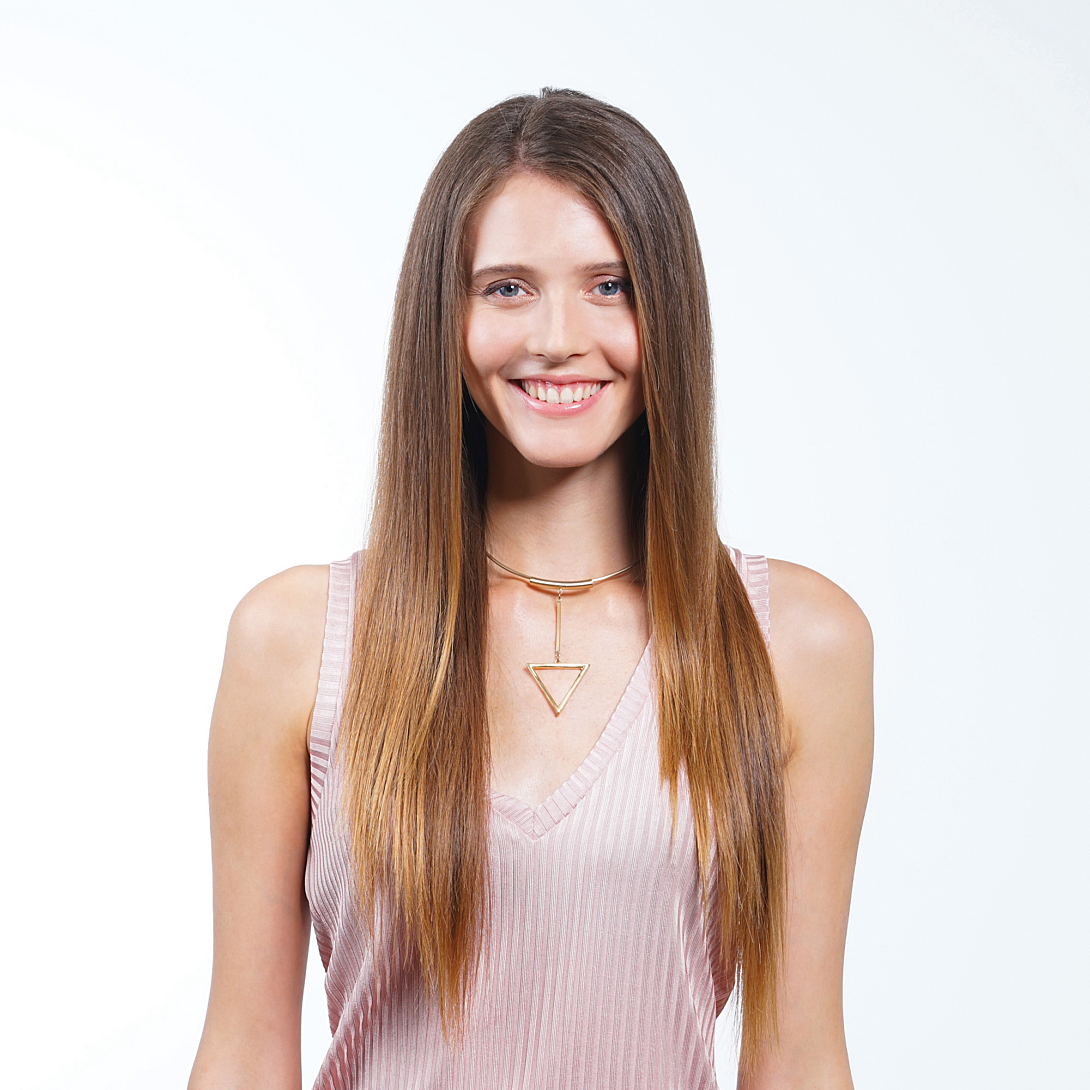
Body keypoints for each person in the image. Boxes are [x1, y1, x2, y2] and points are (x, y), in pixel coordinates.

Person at [188, 89, 873, 1090]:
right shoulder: (295, 641)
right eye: (507, 288)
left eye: (610, 285)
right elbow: (245, 1052)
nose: (556, 336)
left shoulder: (796, 645)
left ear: (668, 309)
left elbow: (797, 1057)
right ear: (446, 314)